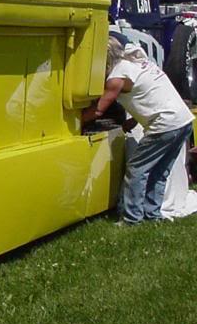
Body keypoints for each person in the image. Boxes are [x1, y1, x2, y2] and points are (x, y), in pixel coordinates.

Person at [83, 36, 194, 225]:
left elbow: (98, 110)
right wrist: (134, 121)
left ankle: (131, 218)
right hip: (183, 120)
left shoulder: (117, 77)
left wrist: (72, 120)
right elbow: (151, 93)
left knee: (136, 169)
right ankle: (152, 214)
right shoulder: (137, 64)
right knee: (160, 171)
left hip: (165, 125)